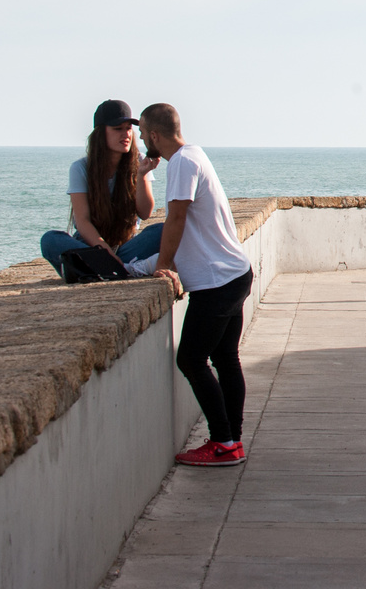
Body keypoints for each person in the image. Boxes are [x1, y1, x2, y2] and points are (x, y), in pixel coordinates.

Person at [137, 102, 254, 468]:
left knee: (190, 358)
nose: (141, 140)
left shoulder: (183, 164)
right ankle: (231, 440)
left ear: (155, 135)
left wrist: (163, 265)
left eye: (143, 134)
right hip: (235, 273)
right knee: (224, 358)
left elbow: (176, 217)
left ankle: (224, 442)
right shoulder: (194, 154)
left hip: (217, 281)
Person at [40, 100, 163, 277]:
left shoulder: (139, 161)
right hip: (91, 246)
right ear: (100, 133)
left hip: (124, 247)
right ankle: (112, 268)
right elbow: (82, 221)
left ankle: (94, 270)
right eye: (117, 129)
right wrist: (106, 253)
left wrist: (142, 175)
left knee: (161, 231)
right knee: (50, 240)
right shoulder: (80, 168)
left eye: (128, 128)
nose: (126, 134)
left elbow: (145, 213)